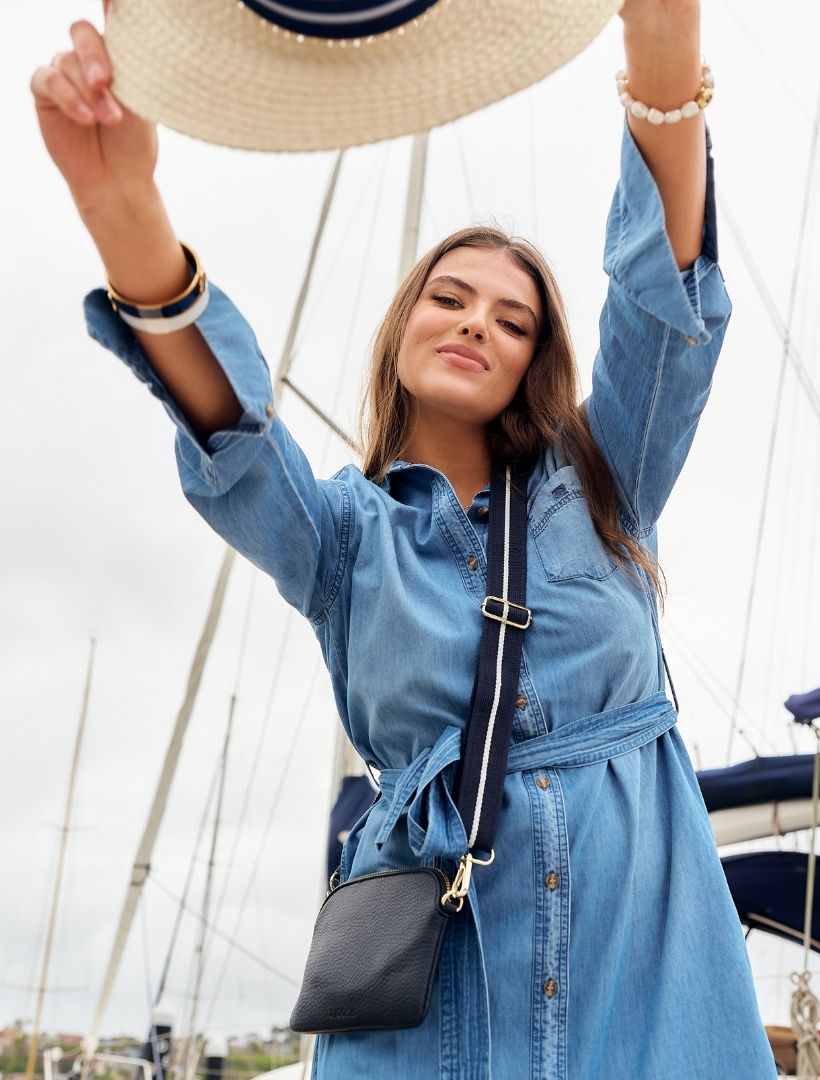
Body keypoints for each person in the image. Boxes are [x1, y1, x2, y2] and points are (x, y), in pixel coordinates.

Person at [31, 1, 778, 1076]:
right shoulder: (341, 535)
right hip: (434, 995)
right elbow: (233, 434)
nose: (478, 321)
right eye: (452, 297)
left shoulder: (606, 478)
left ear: (534, 361)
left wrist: (661, 37)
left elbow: (663, 308)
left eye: (513, 319)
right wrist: (120, 200)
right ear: (405, 327)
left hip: (643, 969)